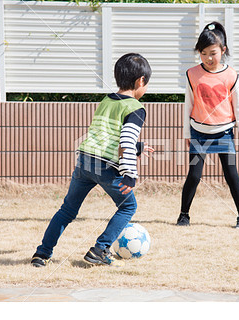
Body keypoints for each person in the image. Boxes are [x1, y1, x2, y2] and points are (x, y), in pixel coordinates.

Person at [31, 53, 154, 267]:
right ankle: (100, 249)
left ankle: (42, 254)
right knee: (128, 207)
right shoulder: (136, 108)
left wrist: (139, 147)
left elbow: (107, 135)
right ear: (140, 81)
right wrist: (130, 175)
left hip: (85, 161)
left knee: (67, 210)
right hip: (106, 166)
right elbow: (125, 139)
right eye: (147, 84)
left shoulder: (107, 101)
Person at [177, 21, 239, 229]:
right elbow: (188, 105)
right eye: (203, 54)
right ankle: (184, 215)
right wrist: (186, 133)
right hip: (198, 132)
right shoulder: (192, 74)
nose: (208, 58)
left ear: (223, 50)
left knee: (231, 175)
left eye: (213, 53)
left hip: (224, 133)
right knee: (194, 175)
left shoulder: (231, 75)